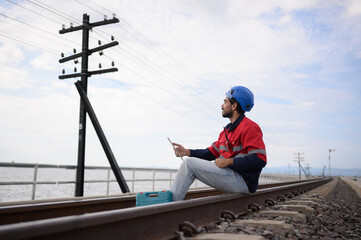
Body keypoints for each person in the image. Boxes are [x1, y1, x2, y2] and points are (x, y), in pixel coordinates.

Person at [170, 86, 267, 201]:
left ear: (234, 105)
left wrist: (229, 161)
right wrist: (187, 152)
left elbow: (260, 159)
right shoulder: (227, 131)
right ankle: (169, 203)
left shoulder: (249, 127)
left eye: (225, 102)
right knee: (189, 162)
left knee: (189, 165)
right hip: (231, 176)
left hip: (243, 181)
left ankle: (168, 206)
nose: (222, 105)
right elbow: (210, 153)